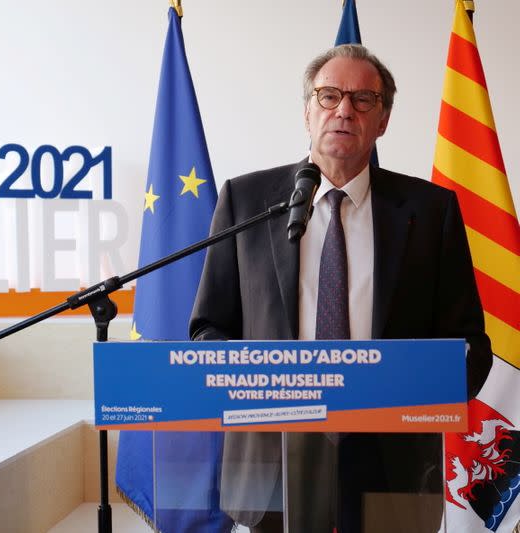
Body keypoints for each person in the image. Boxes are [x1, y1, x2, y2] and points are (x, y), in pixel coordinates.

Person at [189, 44, 492, 532]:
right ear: (307, 111)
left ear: (383, 119)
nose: (344, 110)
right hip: (273, 458)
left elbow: (470, 345)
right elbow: (208, 330)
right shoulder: (247, 202)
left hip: (392, 464)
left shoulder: (431, 211)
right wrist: (263, 387)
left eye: (363, 99)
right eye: (328, 96)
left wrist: (421, 395)